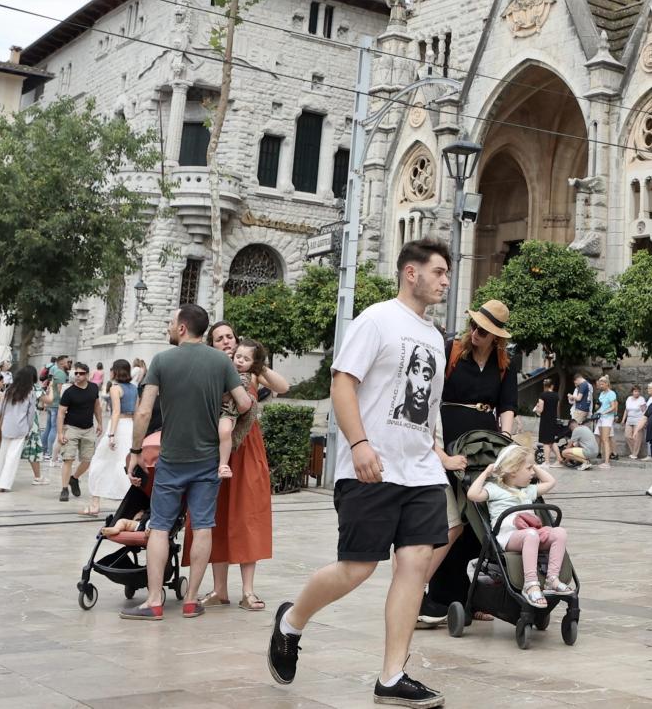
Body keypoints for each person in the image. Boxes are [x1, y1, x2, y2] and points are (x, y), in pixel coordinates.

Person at [267, 238, 466, 709]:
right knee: (357, 568)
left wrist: (434, 452)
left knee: (415, 568)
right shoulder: (376, 320)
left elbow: (429, 408)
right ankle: (291, 622)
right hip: (371, 468)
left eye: (447, 274)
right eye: (438, 272)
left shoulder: (437, 338)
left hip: (419, 472)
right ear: (411, 273)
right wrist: (358, 444)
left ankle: (393, 676)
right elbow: (342, 384)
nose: (445, 281)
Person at [121, 303, 250, 621]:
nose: (168, 326)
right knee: (203, 526)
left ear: (182, 328)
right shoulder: (221, 361)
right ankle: (191, 600)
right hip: (207, 460)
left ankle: (153, 601)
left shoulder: (162, 361)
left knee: (161, 527)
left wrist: (136, 451)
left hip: (171, 459)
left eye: (170, 322)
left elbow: (144, 411)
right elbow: (245, 402)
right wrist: (223, 410)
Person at [418, 299, 517, 628]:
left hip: (484, 444)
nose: (476, 333)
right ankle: (439, 597)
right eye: (474, 326)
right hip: (449, 439)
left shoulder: (505, 364)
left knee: (478, 520)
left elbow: (507, 406)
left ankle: (473, 598)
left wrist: (505, 442)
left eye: (484, 331)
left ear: (496, 338)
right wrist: (439, 451)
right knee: (451, 520)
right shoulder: (451, 352)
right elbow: (430, 399)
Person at [206, 336, 287, 610]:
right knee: (215, 516)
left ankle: (248, 591)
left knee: (248, 515)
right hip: (216, 450)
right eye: (220, 339)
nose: (227, 342)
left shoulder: (250, 373)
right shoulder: (214, 369)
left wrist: (258, 365)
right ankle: (219, 590)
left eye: (230, 337)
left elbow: (283, 386)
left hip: (249, 449)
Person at [466, 445, 574, 609]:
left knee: (559, 532)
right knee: (531, 534)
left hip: (532, 535)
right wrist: (486, 473)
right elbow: (472, 495)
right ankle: (530, 584)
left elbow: (551, 481)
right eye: (529, 468)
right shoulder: (494, 489)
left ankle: (552, 579)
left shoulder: (528, 490)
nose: (533, 472)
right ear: (513, 470)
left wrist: (533, 465)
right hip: (508, 536)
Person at [55, 363, 103, 513]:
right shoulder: (69, 392)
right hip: (71, 428)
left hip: (88, 429)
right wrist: (60, 433)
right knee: (68, 458)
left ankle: (74, 478)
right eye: (76, 373)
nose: (77, 376)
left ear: (87, 374)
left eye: (81, 373)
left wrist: (100, 423)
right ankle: (64, 489)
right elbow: (61, 413)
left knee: (87, 460)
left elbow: (97, 407)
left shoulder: (94, 388)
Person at [90, 360, 138, 506]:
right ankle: (128, 498)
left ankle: (95, 501)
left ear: (115, 371)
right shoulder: (134, 388)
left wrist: (111, 435)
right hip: (130, 426)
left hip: (118, 426)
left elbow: (116, 412)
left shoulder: (115, 388)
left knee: (100, 459)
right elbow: (137, 412)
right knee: (126, 462)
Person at [0, 366, 41, 491]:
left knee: (3, 454)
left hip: (6, 426)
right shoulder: (30, 393)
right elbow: (30, 415)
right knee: (12, 457)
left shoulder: (8, 391)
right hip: (20, 427)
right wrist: (29, 429)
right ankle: (4, 484)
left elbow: (1, 410)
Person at [535, 378, 567, 467]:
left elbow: (540, 410)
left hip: (545, 420)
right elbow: (556, 408)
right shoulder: (556, 396)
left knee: (546, 442)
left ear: (544, 386)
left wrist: (537, 409)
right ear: (552, 386)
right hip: (553, 420)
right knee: (552, 441)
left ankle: (547, 462)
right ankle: (559, 459)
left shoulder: (543, 395)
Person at [594, 376, 617, 467]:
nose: (601, 385)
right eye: (600, 384)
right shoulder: (602, 393)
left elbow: (613, 406)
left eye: (602, 384)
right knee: (600, 438)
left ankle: (607, 462)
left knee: (605, 439)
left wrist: (604, 412)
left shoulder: (611, 393)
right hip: (600, 417)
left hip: (607, 417)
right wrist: (597, 408)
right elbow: (600, 405)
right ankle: (604, 459)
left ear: (607, 384)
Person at [622, 385, 646, 460]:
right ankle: (633, 451)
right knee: (627, 436)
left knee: (637, 438)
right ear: (632, 392)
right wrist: (623, 420)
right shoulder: (629, 399)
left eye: (638, 391)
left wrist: (644, 421)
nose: (637, 393)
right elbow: (626, 410)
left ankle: (635, 454)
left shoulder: (641, 399)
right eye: (635, 391)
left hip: (638, 420)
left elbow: (644, 411)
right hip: (629, 420)